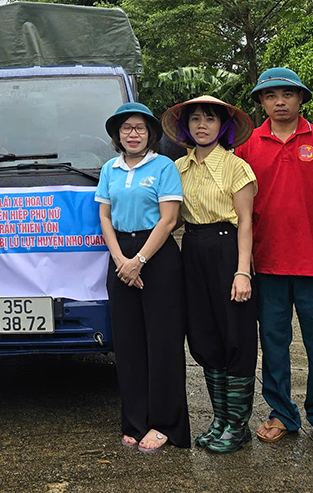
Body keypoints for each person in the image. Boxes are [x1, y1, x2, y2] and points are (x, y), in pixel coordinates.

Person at [234, 67, 313, 450]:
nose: (279, 101)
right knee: (274, 342)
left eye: (287, 94)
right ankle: (281, 412)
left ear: (301, 98)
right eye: (270, 95)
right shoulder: (247, 146)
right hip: (265, 264)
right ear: (261, 102)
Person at [161, 96, 257, 454]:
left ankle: (238, 424)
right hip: (194, 250)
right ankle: (219, 420)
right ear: (187, 126)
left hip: (228, 248)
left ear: (223, 126)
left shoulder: (236, 167)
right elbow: (175, 217)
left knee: (236, 334)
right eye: (196, 119)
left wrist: (242, 271)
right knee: (203, 335)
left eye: (211, 119)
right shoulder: (177, 169)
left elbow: (246, 221)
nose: (203, 125)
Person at [95, 102, 189, 452]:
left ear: (151, 134)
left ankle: (167, 424)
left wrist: (140, 260)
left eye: (139, 128)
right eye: (126, 128)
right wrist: (121, 260)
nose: (133, 134)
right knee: (129, 343)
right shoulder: (110, 168)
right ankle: (134, 420)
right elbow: (105, 217)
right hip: (120, 257)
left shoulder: (163, 166)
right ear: (118, 135)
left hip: (158, 256)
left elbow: (168, 219)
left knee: (163, 342)